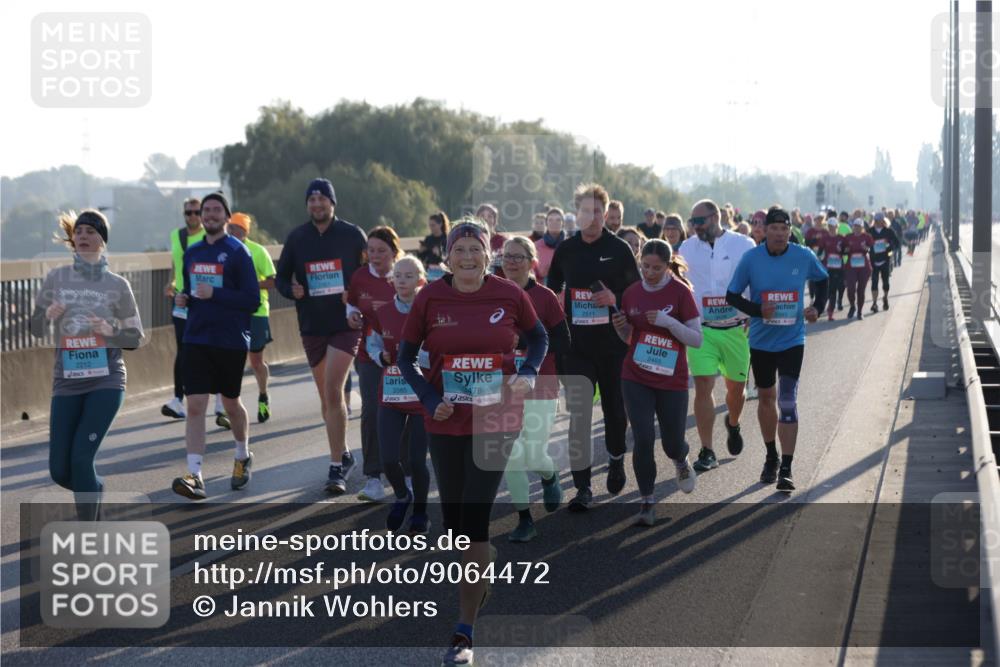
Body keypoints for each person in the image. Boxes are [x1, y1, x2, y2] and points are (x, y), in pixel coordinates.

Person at [395, 219, 547, 666]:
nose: (466, 257)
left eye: (474, 249)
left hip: (497, 417)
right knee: (456, 527)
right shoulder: (430, 297)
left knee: (475, 519)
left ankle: (464, 630)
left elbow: (538, 337)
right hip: (445, 419)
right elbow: (404, 357)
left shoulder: (509, 294)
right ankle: (482, 562)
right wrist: (428, 396)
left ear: (488, 254)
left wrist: (528, 372)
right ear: (447, 256)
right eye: (458, 249)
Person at [31, 210, 143, 520]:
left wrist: (110, 331)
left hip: (105, 381)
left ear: (102, 241)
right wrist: (47, 315)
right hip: (66, 382)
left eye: (91, 231)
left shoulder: (117, 285)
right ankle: (94, 489)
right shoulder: (56, 278)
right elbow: (35, 328)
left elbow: (135, 337)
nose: (82, 235)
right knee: (59, 470)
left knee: (81, 459)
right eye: (78, 230)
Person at [547, 183, 640, 510]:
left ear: (606, 213)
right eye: (585, 210)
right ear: (577, 213)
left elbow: (637, 293)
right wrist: (556, 312)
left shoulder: (618, 249)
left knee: (615, 411)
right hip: (577, 347)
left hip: (613, 345)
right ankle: (583, 488)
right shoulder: (567, 250)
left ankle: (616, 458)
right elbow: (551, 288)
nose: (592, 216)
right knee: (579, 416)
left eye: (598, 211)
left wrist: (615, 299)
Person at [726, 206, 828, 493]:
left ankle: (786, 466)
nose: (780, 233)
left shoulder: (803, 255)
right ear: (765, 230)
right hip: (760, 341)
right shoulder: (751, 258)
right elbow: (731, 295)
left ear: (789, 231)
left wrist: (817, 308)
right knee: (766, 398)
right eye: (775, 228)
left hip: (793, 339)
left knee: (787, 399)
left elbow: (823, 281)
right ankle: (770, 455)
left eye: (785, 229)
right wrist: (758, 310)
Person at [276, 178, 367, 494]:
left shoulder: (353, 235)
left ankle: (334, 468)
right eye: (311, 200)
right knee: (328, 399)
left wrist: (355, 294)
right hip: (312, 324)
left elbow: (369, 273)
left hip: (345, 324)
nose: (316, 204)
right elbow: (281, 279)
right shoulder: (298, 237)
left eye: (322, 199)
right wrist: (292, 289)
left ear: (333, 203)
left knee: (332, 390)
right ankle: (344, 454)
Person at [171, 193, 260, 500]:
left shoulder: (238, 252)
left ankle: (242, 454)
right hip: (196, 338)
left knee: (231, 403)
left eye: (215, 210)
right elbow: (191, 291)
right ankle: (194, 474)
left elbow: (252, 299)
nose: (208, 214)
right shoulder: (192, 253)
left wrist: (216, 294)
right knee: (195, 405)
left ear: (226, 216)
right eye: (205, 210)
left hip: (230, 340)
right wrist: (184, 299)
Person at [612, 239, 701, 526]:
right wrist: (622, 328)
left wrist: (668, 322)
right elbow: (629, 338)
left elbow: (696, 340)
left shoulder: (680, 292)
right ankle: (647, 503)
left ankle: (681, 460)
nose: (649, 272)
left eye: (656, 268)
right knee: (643, 438)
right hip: (636, 375)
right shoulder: (631, 293)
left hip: (672, 378)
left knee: (672, 443)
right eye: (645, 266)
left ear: (667, 265)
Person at [678, 199, 756, 473]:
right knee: (703, 386)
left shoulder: (743, 245)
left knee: (737, 390)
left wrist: (754, 313)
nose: (695, 227)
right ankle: (707, 449)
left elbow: (755, 280)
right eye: (693, 222)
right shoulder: (686, 248)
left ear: (715, 217)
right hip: (703, 330)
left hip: (737, 329)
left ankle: (733, 423)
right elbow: (677, 283)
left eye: (699, 221)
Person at [500, 237, 569, 542]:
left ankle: (549, 474)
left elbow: (563, 340)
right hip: (502, 386)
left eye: (518, 257)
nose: (512, 262)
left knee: (532, 452)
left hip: (542, 383)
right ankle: (524, 520)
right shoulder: (491, 294)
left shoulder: (545, 297)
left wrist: (526, 344)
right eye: (507, 256)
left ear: (532, 262)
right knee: (512, 455)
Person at [367, 255, 432, 533]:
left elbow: (442, 347)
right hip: (392, 393)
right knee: (389, 459)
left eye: (408, 275)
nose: (402, 280)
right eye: (398, 275)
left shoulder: (429, 311)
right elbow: (372, 344)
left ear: (420, 280)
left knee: (416, 460)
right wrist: (380, 356)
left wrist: (422, 357)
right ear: (392, 280)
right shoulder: (382, 313)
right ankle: (403, 496)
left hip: (421, 394)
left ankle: (420, 513)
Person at [347, 226, 403, 502]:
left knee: (403, 410)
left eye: (381, 250)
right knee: (371, 411)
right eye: (371, 250)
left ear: (394, 252)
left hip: (404, 356)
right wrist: (353, 315)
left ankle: (405, 473)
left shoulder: (405, 275)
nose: (375, 256)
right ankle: (373, 477)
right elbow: (351, 305)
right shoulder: (359, 277)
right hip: (369, 355)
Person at [161, 198, 216, 423]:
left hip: (205, 300)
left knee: (210, 350)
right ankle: (177, 400)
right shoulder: (177, 235)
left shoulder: (209, 237)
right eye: (188, 212)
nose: (192, 216)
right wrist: (170, 282)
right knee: (183, 349)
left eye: (195, 212)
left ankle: (220, 400)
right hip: (182, 300)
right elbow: (176, 263)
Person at [227, 212, 276, 423]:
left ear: (245, 231)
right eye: (230, 228)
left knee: (256, 361)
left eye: (236, 229)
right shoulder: (224, 251)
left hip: (256, 312)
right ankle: (228, 408)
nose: (231, 232)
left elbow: (273, 281)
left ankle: (263, 395)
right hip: (231, 312)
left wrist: (250, 287)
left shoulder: (258, 251)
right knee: (230, 360)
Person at [815, 217, 846, 321]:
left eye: (833, 226)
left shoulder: (841, 238)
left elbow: (846, 251)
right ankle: (829, 312)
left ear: (837, 227)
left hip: (839, 267)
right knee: (830, 290)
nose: (831, 228)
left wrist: (841, 251)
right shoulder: (825, 238)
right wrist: (818, 257)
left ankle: (835, 304)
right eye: (829, 226)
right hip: (827, 267)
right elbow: (819, 252)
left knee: (839, 287)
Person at [842, 219, 874, 320]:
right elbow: (843, 249)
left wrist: (867, 249)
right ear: (853, 227)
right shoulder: (848, 237)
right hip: (851, 267)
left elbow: (872, 249)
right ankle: (852, 306)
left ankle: (860, 312)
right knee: (850, 289)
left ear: (862, 228)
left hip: (864, 267)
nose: (857, 228)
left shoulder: (867, 237)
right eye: (855, 226)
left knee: (861, 290)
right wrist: (845, 250)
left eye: (859, 226)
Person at [869, 211, 899, 313]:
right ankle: (874, 303)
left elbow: (896, 243)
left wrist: (889, 247)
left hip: (886, 260)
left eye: (880, 220)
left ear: (883, 221)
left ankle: (885, 297)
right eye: (876, 220)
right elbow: (864, 243)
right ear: (874, 221)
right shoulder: (870, 232)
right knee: (874, 283)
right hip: (873, 261)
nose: (878, 222)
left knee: (885, 282)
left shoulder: (889, 231)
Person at [534, 207, 565, 281]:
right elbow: (531, 273)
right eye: (550, 220)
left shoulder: (570, 245)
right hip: (543, 289)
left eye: (558, 220)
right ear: (546, 223)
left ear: (563, 223)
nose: (554, 223)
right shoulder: (536, 246)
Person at [418, 211, 449, 281]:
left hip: (443, 273)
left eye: (433, 225)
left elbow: (449, 258)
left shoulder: (446, 239)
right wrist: (421, 252)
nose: (431, 228)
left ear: (440, 224)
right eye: (430, 225)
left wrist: (440, 253)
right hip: (430, 273)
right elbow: (422, 258)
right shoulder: (428, 239)